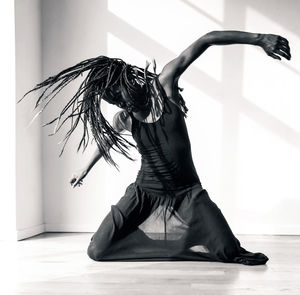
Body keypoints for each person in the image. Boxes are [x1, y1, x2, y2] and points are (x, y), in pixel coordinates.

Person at [21, 30, 291, 265]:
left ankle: (181, 242)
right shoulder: (124, 118)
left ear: (125, 81)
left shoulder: (164, 86)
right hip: (146, 191)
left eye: (116, 93)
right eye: (111, 100)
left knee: (228, 250)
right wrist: (85, 168)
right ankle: (165, 244)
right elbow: (107, 141)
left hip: (188, 191)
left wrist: (259, 39)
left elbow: (206, 40)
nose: (117, 102)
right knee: (97, 250)